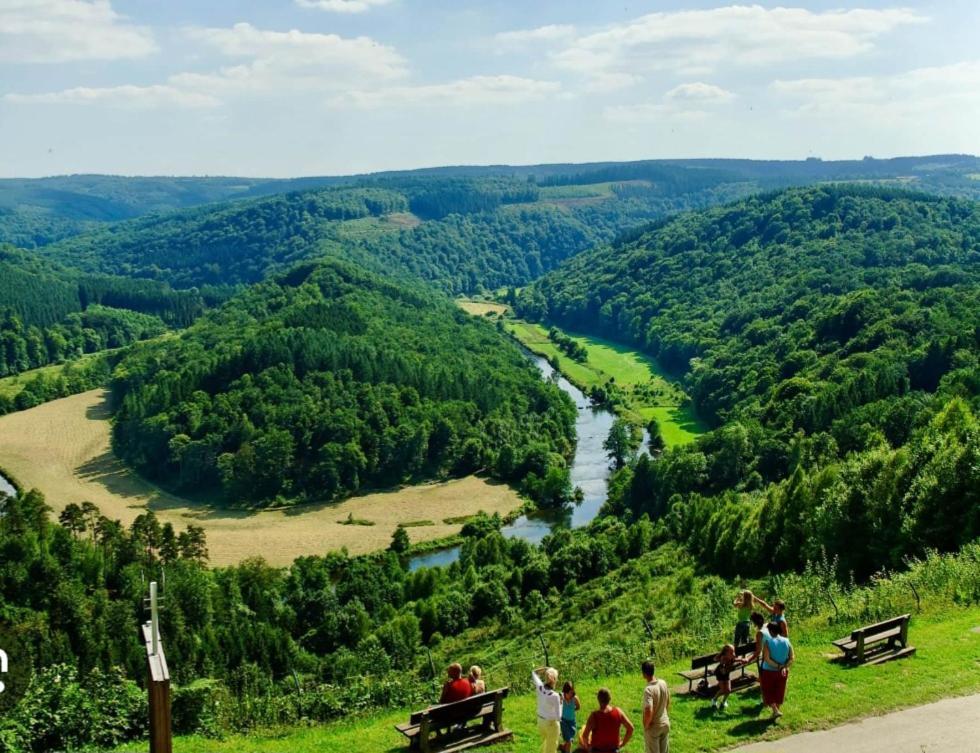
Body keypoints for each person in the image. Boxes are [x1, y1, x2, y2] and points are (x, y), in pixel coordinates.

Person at [580, 687, 634, 752]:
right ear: (610, 699)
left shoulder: (594, 716)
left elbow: (585, 736)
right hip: (613, 750)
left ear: (598, 700)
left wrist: (588, 747)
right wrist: (623, 743)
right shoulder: (618, 712)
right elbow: (630, 728)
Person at [759, 621, 794, 720]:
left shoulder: (768, 642)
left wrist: (777, 666)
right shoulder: (787, 641)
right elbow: (792, 657)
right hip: (783, 671)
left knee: (768, 690)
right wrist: (784, 666)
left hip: (769, 671)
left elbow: (766, 658)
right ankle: (776, 712)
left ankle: (775, 710)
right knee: (780, 690)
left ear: (770, 631)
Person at [641, 660, 670, 753]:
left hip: (654, 727)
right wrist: (664, 715)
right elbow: (668, 701)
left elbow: (649, 710)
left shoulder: (648, 690)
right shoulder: (663, 683)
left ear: (644, 674)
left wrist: (646, 725)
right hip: (665, 723)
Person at [532, 666, 562, 753]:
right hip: (551, 725)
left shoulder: (539, 686)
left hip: (540, 722)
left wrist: (545, 669)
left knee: (546, 744)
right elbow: (558, 717)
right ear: (555, 679)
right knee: (551, 749)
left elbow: (533, 672)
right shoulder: (555, 696)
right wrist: (561, 702)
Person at [711, 644, 744, 711]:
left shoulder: (731, 657)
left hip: (726, 674)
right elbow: (722, 670)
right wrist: (725, 669)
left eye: (733, 651)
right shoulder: (723, 658)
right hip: (720, 674)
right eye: (731, 652)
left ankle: (723, 702)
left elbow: (735, 660)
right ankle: (714, 699)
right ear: (726, 653)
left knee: (728, 690)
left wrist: (742, 660)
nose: (733, 654)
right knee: (723, 689)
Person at [560, 681, 580, 753]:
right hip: (563, 721)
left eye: (572, 692)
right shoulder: (561, 697)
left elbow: (578, 707)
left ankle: (562, 747)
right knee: (569, 741)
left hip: (572, 722)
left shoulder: (575, 698)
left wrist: (572, 710)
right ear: (565, 692)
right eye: (569, 693)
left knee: (570, 739)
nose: (571, 694)